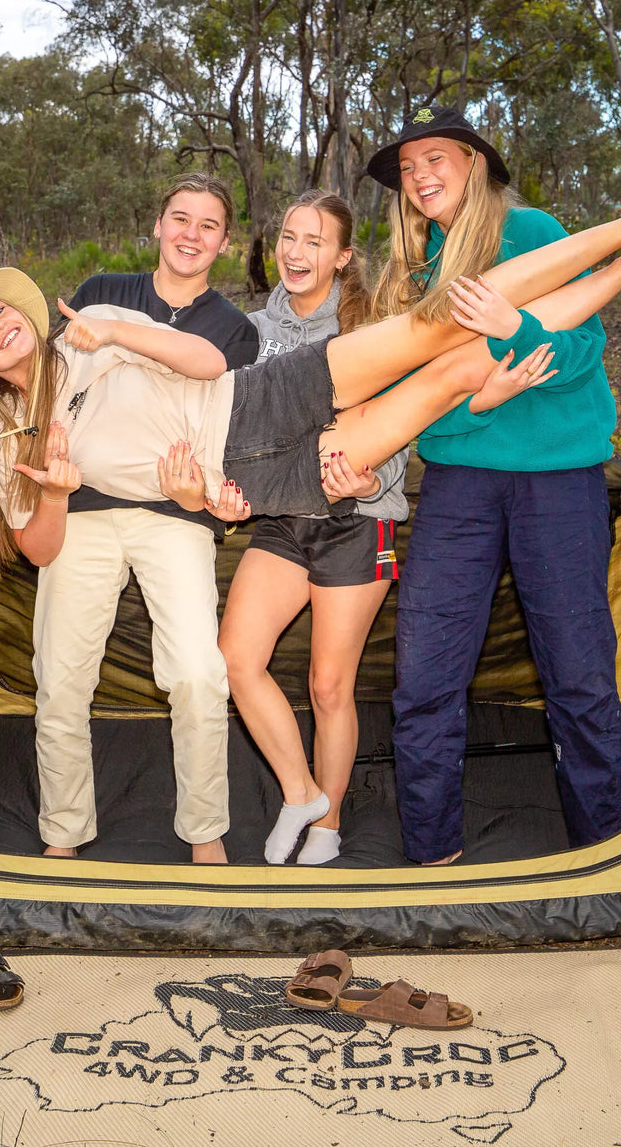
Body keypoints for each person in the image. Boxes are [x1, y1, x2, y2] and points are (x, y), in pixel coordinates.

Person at [0, 194, 621, 862]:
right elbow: (42, 541)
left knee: (438, 324)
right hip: (257, 478)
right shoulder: (12, 443)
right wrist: (91, 493)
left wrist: (119, 333)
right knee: (457, 368)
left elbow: (206, 365)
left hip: (254, 400)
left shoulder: (90, 326)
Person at [367, 103, 621, 866]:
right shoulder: (413, 265)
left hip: (555, 482)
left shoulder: (531, 234)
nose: (421, 175)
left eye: (438, 157)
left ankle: (601, 850)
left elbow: (581, 350)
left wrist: (509, 324)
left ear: (476, 165)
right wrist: (479, 401)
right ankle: (433, 855)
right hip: (459, 486)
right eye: (407, 166)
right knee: (426, 670)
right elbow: (417, 401)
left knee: (577, 668)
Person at [30, 173, 256, 865]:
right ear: (157, 225)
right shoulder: (102, 288)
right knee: (62, 675)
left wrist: (122, 340)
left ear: (223, 241)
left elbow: (208, 366)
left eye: (207, 224)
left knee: (195, 671)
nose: (190, 233)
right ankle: (62, 834)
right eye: (179, 218)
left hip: (173, 515)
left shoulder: (231, 326)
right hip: (85, 506)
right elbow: (59, 386)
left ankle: (205, 832)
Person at [219, 191, 408, 866]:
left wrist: (371, 479)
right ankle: (298, 791)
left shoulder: (368, 322)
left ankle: (326, 827)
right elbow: (232, 424)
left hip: (357, 520)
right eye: (288, 238)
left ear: (342, 255)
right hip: (282, 522)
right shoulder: (246, 330)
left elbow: (399, 415)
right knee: (236, 658)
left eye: (315, 242)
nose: (297, 254)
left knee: (330, 684)